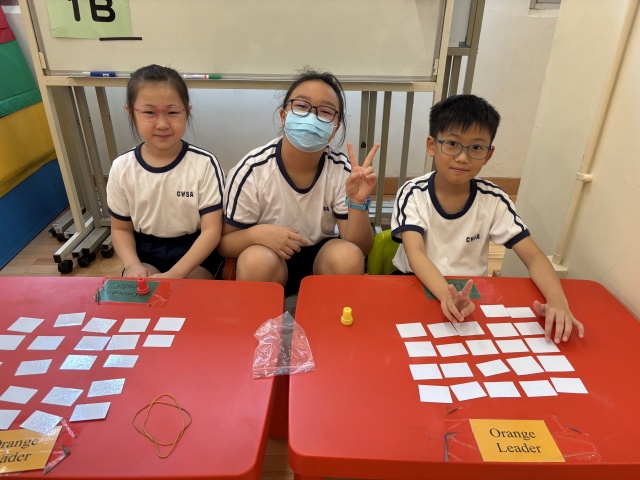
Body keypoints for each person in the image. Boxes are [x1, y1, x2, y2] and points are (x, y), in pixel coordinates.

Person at [391, 94, 584, 344]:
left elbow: (534, 257)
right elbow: (415, 252)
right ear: (431, 145)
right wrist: (446, 296)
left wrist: (557, 301)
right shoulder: (413, 193)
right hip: (416, 283)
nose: (463, 157)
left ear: (489, 154)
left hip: (470, 293)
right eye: (452, 144)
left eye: (476, 148)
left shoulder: (493, 199)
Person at [219, 68, 378, 296]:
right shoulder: (252, 170)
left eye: (325, 111)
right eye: (302, 106)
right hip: (271, 257)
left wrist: (358, 203)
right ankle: (265, 318)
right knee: (255, 260)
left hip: (321, 260)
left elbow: (360, 248)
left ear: (334, 129)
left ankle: (327, 317)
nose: (312, 116)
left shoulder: (342, 170)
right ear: (284, 116)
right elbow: (224, 244)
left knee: (348, 256)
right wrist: (258, 234)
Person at [106, 64, 225, 279]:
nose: (162, 124)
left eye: (172, 112)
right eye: (149, 112)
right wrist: (132, 265)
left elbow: (212, 230)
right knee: (140, 293)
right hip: (145, 253)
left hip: (195, 253)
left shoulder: (205, 164)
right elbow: (121, 229)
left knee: (189, 293)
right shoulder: (122, 167)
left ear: (187, 112)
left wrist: (176, 274)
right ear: (131, 113)